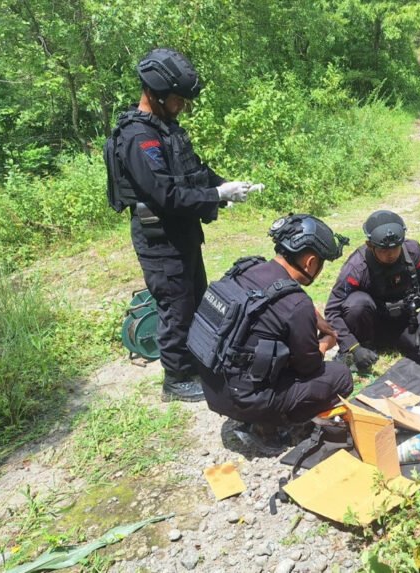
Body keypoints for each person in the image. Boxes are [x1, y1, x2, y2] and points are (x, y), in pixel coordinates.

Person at [104, 48, 257, 402]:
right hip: (160, 239)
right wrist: (216, 194)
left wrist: (226, 187)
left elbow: (193, 171)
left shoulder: (166, 129)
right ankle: (175, 378)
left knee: (193, 298)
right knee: (175, 307)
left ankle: (197, 361)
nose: (182, 106)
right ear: (155, 95)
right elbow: (166, 195)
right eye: (177, 99)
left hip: (183, 233)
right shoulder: (138, 138)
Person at [193, 214, 354, 455]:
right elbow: (309, 367)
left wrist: (309, 315)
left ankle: (258, 417)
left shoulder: (246, 268)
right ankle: (269, 428)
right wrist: (327, 343)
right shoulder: (295, 303)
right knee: (340, 376)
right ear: (311, 262)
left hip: (213, 384)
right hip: (243, 400)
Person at [325, 210, 420, 372]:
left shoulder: (414, 252)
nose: (390, 255)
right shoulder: (356, 267)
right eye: (383, 250)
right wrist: (353, 346)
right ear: (370, 245)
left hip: (404, 322)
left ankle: (397, 342)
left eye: (395, 249)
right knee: (357, 303)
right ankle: (365, 349)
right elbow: (332, 311)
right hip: (370, 325)